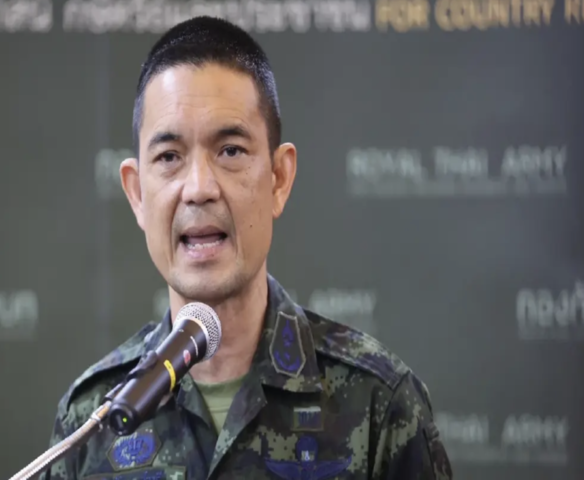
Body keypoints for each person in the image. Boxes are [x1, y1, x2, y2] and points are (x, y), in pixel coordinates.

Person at [40, 15, 453, 480]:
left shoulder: (380, 403)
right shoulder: (92, 421)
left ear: (279, 178)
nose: (199, 188)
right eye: (169, 157)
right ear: (137, 194)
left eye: (230, 151)